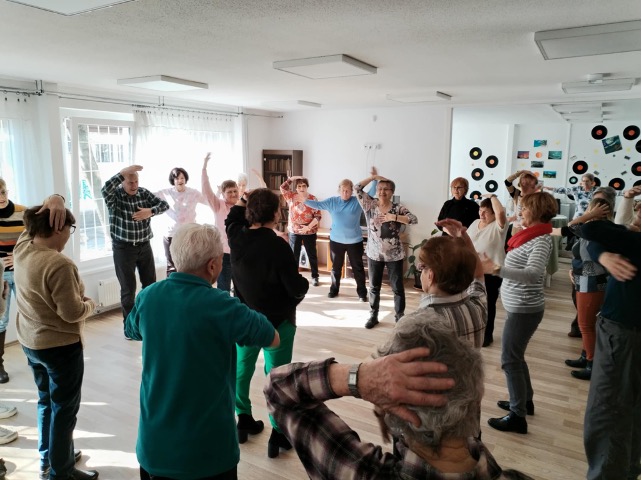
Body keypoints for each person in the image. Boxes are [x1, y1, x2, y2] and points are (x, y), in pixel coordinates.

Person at [264, 315, 533, 479]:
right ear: (476, 396)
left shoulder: (355, 471)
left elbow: (279, 389)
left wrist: (360, 377)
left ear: (388, 407)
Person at [125, 223, 279, 480]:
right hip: (208, 455)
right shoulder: (224, 306)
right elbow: (272, 337)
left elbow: (132, 330)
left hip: (154, 449)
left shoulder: (148, 296)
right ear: (213, 266)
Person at [14, 195, 97, 480]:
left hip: (31, 343)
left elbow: (30, 225)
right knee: (64, 409)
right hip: (60, 347)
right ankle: (62, 472)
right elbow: (72, 313)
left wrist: (55, 199)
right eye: (69, 229)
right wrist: (91, 305)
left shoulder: (23, 247)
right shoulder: (58, 264)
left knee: (46, 402)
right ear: (59, 228)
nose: (69, 237)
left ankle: (51, 458)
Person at [225, 188, 309, 458]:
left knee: (241, 369)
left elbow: (232, 218)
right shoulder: (278, 246)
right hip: (278, 322)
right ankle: (278, 433)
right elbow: (294, 287)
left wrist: (243, 200)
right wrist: (305, 286)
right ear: (275, 213)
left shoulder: (236, 238)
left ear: (250, 212)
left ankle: (243, 419)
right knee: (277, 377)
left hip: (245, 320)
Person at [481, 192, 557, 434]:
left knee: (510, 360)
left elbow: (533, 274)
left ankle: (517, 416)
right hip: (519, 307)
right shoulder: (528, 236)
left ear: (536, 211)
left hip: (525, 309)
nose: (520, 211)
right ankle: (524, 401)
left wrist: (496, 270)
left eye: (524, 208)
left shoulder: (541, 240)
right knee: (516, 356)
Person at [580, 219, 640, 480]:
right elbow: (592, 240)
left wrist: (606, 251)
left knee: (607, 413)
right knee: (629, 409)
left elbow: (589, 229)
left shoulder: (635, 242)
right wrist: (604, 255)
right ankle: (628, 469)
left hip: (624, 335)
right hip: (624, 333)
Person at [101, 165, 169, 335]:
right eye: (130, 182)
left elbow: (164, 205)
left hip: (144, 246)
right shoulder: (115, 197)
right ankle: (130, 328)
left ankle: (149, 322)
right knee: (128, 289)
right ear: (122, 182)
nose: (134, 185)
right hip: (123, 249)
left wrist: (150, 211)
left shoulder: (143, 193)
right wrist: (121, 173)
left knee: (150, 286)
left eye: (136, 181)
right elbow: (105, 189)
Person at [355, 173, 418, 328]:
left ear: (392, 192)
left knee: (397, 288)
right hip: (374, 254)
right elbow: (357, 188)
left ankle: (399, 317)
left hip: (394, 255)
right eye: (380, 188)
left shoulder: (398, 208)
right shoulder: (370, 204)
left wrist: (394, 217)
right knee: (374, 288)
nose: (382, 191)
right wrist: (372, 178)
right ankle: (373, 315)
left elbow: (413, 219)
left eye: (386, 189)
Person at [561, 198, 613, 380]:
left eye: (591, 209)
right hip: (586, 279)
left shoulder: (598, 229)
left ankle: (592, 364)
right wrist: (574, 271)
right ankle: (586, 356)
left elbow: (571, 225)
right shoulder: (593, 228)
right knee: (587, 323)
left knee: (586, 324)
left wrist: (590, 215)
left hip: (590, 282)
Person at [417, 218, 487, 349]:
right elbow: (478, 274)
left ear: (431, 275)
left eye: (422, 267)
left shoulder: (417, 325)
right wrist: (463, 237)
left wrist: (462, 237)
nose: (420, 272)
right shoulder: (478, 305)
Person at [304, 179, 367, 301]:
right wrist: (304, 200)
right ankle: (334, 290)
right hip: (336, 241)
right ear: (339, 190)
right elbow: (318, 205)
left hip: (354, 242)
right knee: (336, 268)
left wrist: (373, 179)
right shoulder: (332, 201)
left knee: (358, 268)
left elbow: (371, 193)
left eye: (348, 191)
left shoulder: (357, 201)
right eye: (343, 190)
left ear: (352, 191)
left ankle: (362, 294)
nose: (345, 193)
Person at [466, 194, 508, 347]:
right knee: (470, 302)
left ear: (494, 214)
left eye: (486, 212)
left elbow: (501, 212)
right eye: (480, 210)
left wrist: (492, 196)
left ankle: (487, 335)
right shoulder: (475, 223)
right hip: (471, 269)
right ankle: (472, 331)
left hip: (491, 272)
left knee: (488, 304)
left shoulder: (499, 226)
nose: (481, 214)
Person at [154, 167, 208, 276]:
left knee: (190, 264)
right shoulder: (166, 193)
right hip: (171, 234)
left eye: (182, 178)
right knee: (172, 266)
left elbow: (209, 201)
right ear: (173, 180)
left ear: (185, 179)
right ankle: (172, 286)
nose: (180, 180)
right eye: (177, 178)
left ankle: (189, 286)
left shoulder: (193, 193)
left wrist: (219, 192)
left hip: (189, 234)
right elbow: (149, 196)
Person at [0, 178, 26, 383]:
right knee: (1, 320)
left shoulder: (22, 212)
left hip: (23, 271)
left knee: (31, 314)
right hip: (1, 276)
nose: (1, 197)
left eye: (3, 192)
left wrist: (18, 257)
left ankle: (37, 357)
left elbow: (34, 240)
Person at [202, 153, 239, 292]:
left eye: (235, 191)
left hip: (239, 252)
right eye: (229, 192)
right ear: (223, 193)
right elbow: (206, 191)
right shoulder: (218, 205)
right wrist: (204, 168)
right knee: (224, 288)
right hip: (223, 254)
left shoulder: (242, 206)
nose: (233, 194)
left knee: (241, 287)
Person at [280, 176, 322, 286]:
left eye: (304, 186)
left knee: (312, 255)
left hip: (309, 231)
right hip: (294, 231)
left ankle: (315, 276)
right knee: (294, 256)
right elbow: (283, 187)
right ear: (296, 188)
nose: (301, 188)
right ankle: (294, 277)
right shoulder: (291, 196)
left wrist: (308, 227)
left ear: (307, 187)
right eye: (299, 186)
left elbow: (318, 216)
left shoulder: (313, 199)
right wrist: (294, 178)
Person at [504, 170, 540, 234]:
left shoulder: (535, 198)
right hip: (516, 229)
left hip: (529, 229)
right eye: (532, 186)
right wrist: (520, 172)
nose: (534, 188)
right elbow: (507, 182)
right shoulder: (516, 193)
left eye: (533, 186)